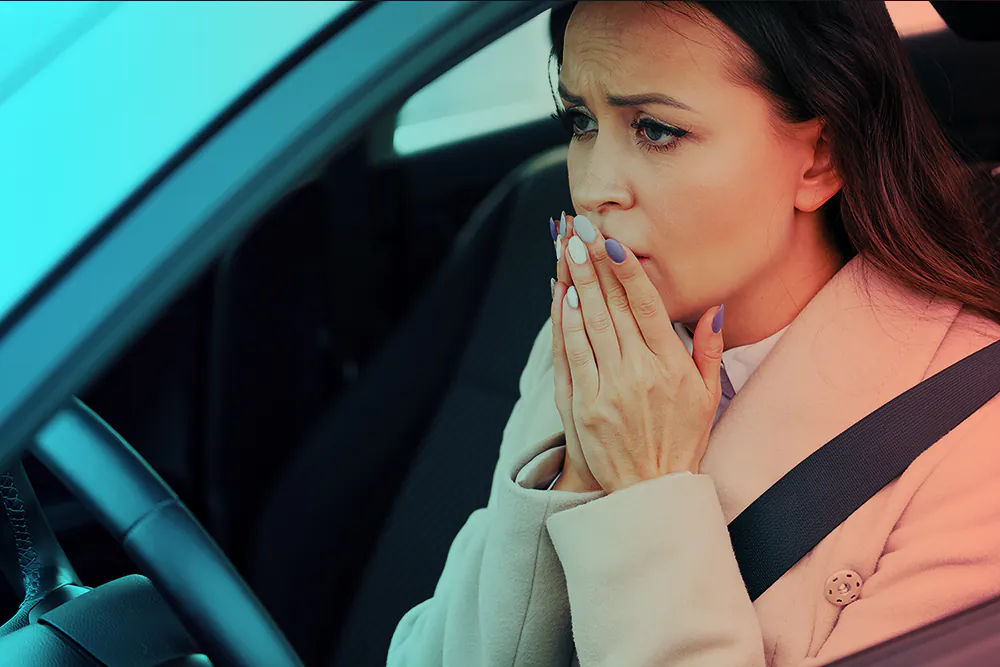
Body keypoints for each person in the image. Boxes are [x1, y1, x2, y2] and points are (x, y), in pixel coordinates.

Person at [387, 2, 1000, 665]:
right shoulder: (596, 343)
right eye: (581, 121)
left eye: (655, 129)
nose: (591, 188)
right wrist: (578, 476)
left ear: (820, 160)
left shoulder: (974, 450)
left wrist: (644, 490)